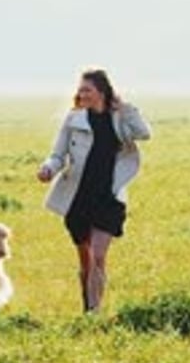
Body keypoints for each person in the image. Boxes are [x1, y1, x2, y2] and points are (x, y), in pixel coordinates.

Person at [37, 69, 151, 313]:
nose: (82, 94)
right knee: (86, 260)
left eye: (87, 89)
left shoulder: (119, 117)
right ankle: (87, 308)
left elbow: (144, 133)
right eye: (80, 89)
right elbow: (58, 155)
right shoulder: (73, 119)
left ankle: (95, 311)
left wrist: (124, 107)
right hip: (78, 197)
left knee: (99, 256)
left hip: (109, 196)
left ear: (102, 91)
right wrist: (48, 169)